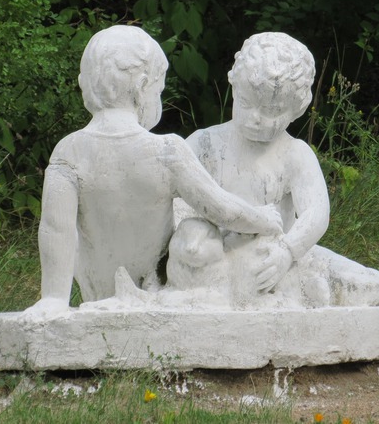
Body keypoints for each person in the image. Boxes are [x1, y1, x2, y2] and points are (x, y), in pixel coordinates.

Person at [23, 26, 283, 317]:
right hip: (154, 296)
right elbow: (221, 209)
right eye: (159, 92)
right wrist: (264, 219)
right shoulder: (166, 151)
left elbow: (56, 229)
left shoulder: (68, 151)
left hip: (96, 294)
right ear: (142, 86)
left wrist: (54, 298)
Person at [181, 32, 379, 307]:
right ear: (233, 87)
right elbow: (177, 203)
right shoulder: (205, 143)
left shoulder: (294, 154)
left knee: (366, 282)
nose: (255, 118)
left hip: (278, 256)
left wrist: (288, 250)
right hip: (217, 259)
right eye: (245, 103)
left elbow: (316, 212)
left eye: (271, 111)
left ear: (298, 109)